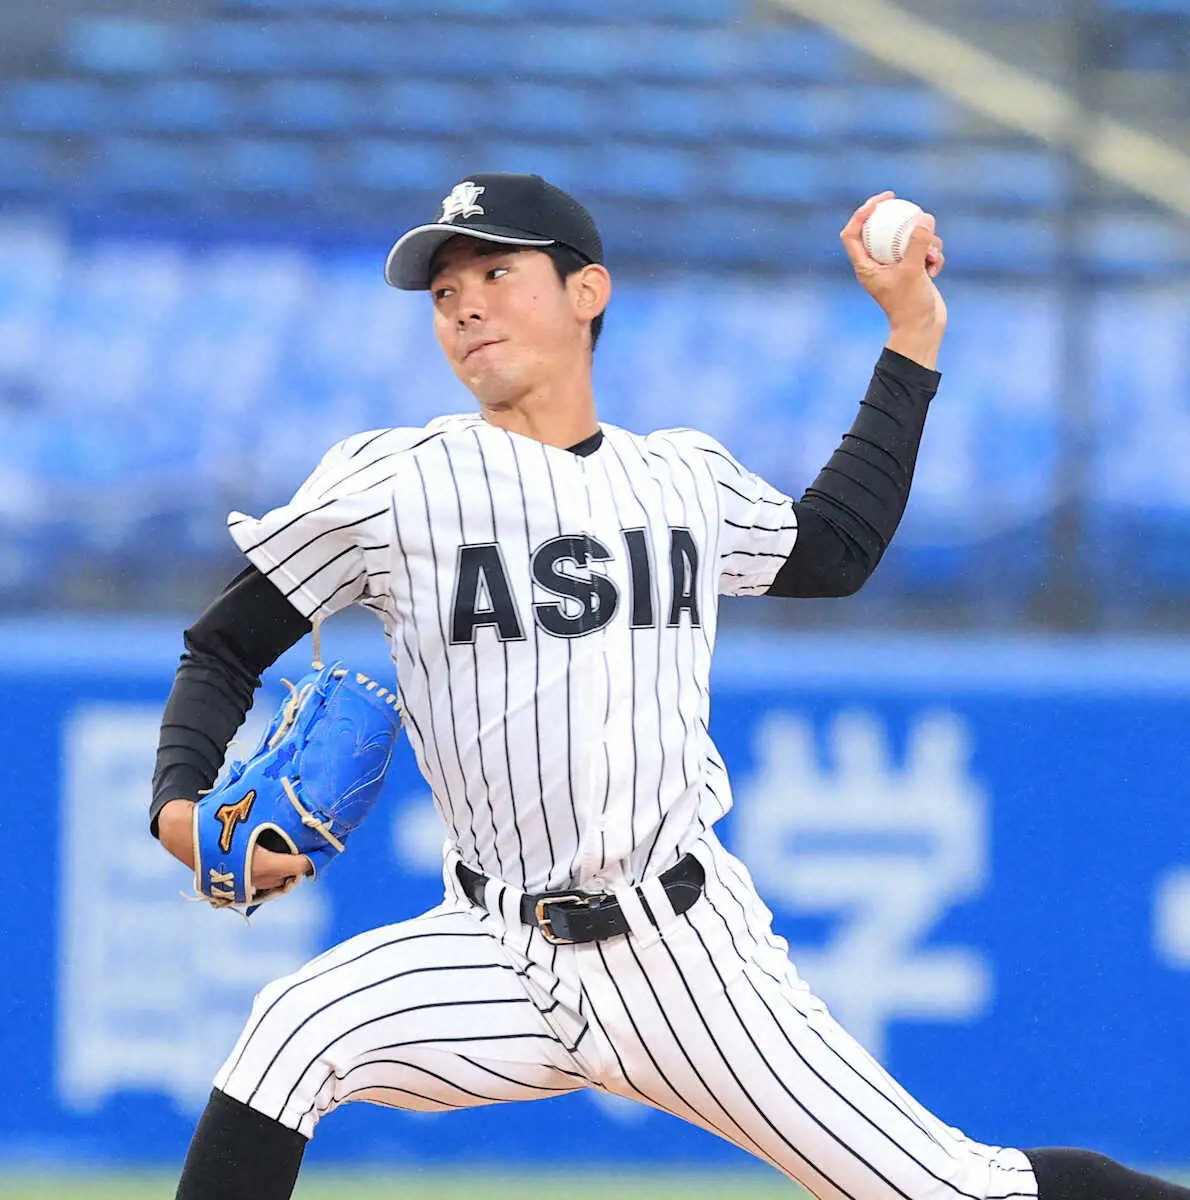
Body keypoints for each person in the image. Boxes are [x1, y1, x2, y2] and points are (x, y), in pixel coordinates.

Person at [152, 174, 1183, 1200]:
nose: (463, 305)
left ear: (586, 292)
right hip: (495, 948)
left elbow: (834, 548)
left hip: (683, 954)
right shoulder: (391, 486)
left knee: (957, 1192)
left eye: (496, 273)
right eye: (444, 291)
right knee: (292, 1031)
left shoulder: (681, 479)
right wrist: (178, 807)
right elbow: (223, 647)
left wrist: (912, 332)